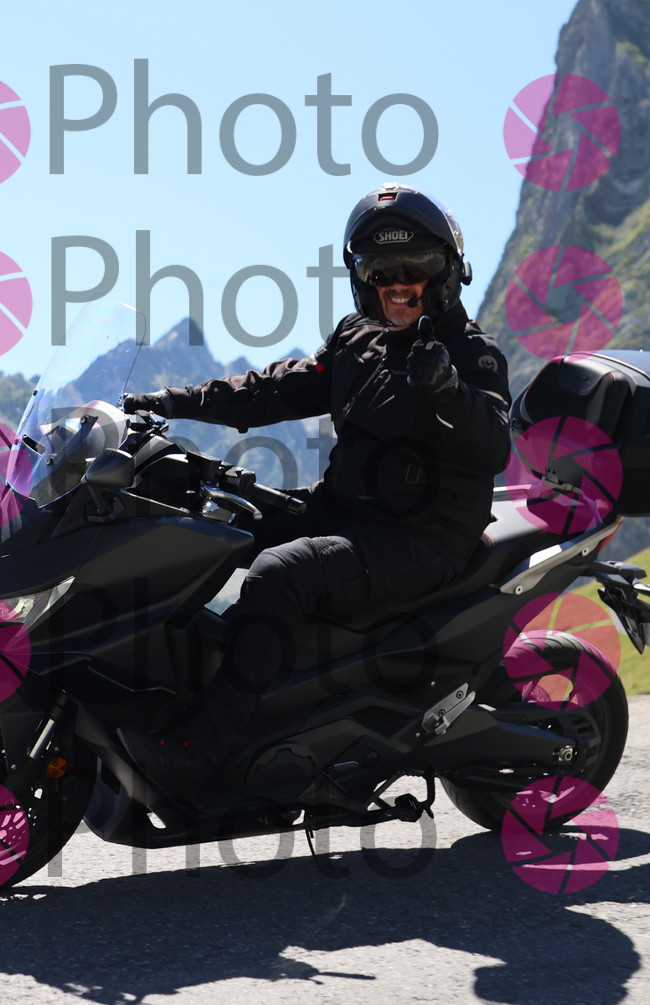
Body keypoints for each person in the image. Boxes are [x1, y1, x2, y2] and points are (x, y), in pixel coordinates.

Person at [117, 182, 514, 798]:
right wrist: (168, 402)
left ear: (445, 272)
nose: (397, 283)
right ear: (362, 279)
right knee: (205, 523)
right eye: (380, 270)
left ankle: (202, 751)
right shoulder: (358, 339)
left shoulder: (471, 353)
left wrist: (448, 390)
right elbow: (273, 389)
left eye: (414, 267)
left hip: (422, 540)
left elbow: (493, 443)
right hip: (344, 513)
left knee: (279, 574)